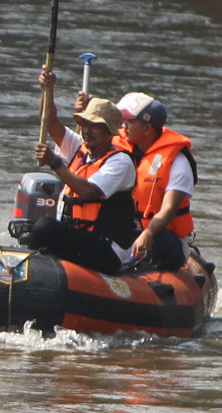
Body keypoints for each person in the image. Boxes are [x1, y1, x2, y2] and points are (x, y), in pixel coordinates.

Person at [32, 67, 139, 275]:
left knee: (44, 227)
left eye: (95, 126)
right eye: (85, 125)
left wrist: (55, 162)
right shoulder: (79, 148)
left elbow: (89, 191)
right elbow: (50, 122)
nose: (87, 131)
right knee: (32, 229)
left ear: (109, 131)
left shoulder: (121, 162)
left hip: (106, 248)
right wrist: (48, 90)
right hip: (80, 238)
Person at [118, 93, 199, 274]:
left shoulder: (178, 162)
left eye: (130, 121)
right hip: (129, 231)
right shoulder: (122, 152)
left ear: (147, 128)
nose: (124, 125)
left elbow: (169, 209)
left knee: (158, 240)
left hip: (164, 238)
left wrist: (148, 233)